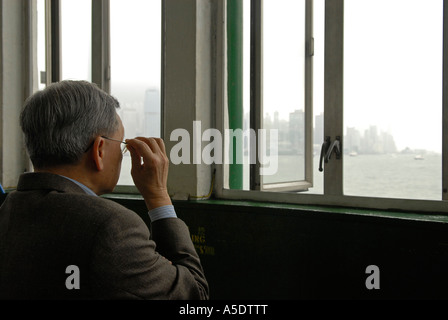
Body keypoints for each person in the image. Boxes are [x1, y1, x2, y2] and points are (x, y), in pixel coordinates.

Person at [0, 80, 209, 300]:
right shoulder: (112, 227)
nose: (121, 155)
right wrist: (158, 196)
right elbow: (195, 295)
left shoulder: (7, 211)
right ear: (99, 149)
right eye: (120, 145)